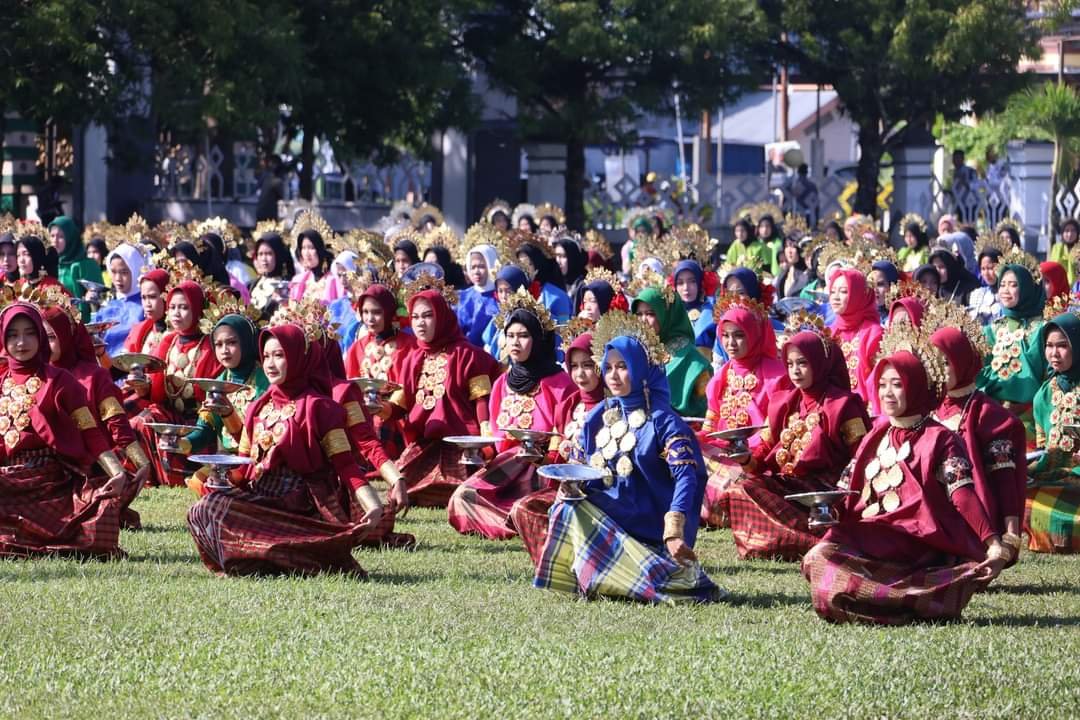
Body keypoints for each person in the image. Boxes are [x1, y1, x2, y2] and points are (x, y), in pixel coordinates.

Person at [802, 338, 1010, 624]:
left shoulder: (941, 439)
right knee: (819, 556)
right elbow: (846, 490)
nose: (887, 393)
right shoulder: (877, 434)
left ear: (916, 387)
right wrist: (827, 512)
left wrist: (993, 543)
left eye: (897, 384)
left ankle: (900, 598)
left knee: (832, 565)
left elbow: (962, 493)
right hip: (875, 536)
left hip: (921, 544)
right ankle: (897, 601)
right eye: (883, 384)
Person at [533, 314, 722, 604]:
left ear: (643, 369)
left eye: (623, 367)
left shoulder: (665, 422)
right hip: (611, 511)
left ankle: (618, 574)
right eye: (607, 368)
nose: (613, 375)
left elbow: (688, 477)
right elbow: (583, 467)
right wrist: (570, 487)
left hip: (648, 525)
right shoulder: (599, 416)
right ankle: (594, 578)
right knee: (564, 507)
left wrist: (674, 529)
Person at [186, 323, 384, 576]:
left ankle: (293, 555)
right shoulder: (258, 407)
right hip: (260, 498)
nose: (270, 363)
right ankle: (252, 562)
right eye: (266, 356)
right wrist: (220, 479)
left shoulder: (319, 409)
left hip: (298, 507)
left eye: (279, 355)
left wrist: (373, 505)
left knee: (215, 509)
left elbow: (346, 465)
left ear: (297, 358)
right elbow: (245, 463)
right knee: (202, 510)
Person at [0, 302, 130, 559]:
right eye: (13, 335)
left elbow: (90, 432)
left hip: (47, 481)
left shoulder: (60, 381)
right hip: (6, 476)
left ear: (40, 335)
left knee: (101, 520)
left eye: (30, 333)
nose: (21, 342)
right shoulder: (1, 380)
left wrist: (118, 472)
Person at [447, 290, 575, 539]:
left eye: (524, 336)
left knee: (526, 506)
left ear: (539, 339)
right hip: (506, 465)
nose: (515, 343)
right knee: (461, 498)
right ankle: (512, 521)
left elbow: (566, 435)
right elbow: (495, 438)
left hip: (544, 468)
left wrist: (545, 459)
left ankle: (522, 518)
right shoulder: (502, 383)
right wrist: (477, 452)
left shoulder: (560, 383)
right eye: (510, 336)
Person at [384, 287, 502, 506]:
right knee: (403, 483)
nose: (420, 323)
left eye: (428, 316)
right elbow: (400, 402)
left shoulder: (467, 355)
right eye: (415, 317)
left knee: (463, 486)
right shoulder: (412, 358)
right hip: (425, 445)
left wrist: (486, 441)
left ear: (442, 317)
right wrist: (379, 408)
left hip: (463, 446)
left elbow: (481, 400)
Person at [41, 300, 150, 531]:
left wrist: (141, 464)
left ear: (66, 336)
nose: (43, 344)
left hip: (88, 469)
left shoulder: (94, 376)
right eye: (39, 336)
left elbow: (116, 423)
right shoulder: (36, 376)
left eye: (50, 337)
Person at [508, 328, 606, 567]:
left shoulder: (614, 405)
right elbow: (555, 456)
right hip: (567, 490)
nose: (580, 374)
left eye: (588, 365)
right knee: (522, 509)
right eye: (574, 366)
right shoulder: (568, 406)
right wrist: (536, 457)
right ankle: (556, 566)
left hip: (603, 493)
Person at [929, 323, 1025, 554]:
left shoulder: (986, 413)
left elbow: (1005, 478)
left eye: (945, 362)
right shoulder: (927, 406)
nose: (938, 370)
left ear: (962, 361)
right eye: (933, 362)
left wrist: (1011, 535)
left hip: (975, 524)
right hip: (930, 512)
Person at [698, 296, 791, 528]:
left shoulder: (776, 374)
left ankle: (714, 504)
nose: (731, 343)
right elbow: (710, 427)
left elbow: (774, 430)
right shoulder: (723, 374)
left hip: (756, 459)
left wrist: (748, 456)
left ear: (755, 335)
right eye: (726, 336)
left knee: (741, 482)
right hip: (722, 455)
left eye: (739, 335)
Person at [126, 281, 223, 486]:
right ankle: (142, 476)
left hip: (198, 421)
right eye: (172, 307)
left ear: (198, 309)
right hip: (170, 414)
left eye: (184, 307)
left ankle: (172, 476)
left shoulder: (209, 346)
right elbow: (156, 393)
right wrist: (142, 386)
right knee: (137, 423)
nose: (176, 313)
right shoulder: (168, 342)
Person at [181, 307, 270, 493]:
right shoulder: (218, 382)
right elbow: (204, 430)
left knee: (226, 485)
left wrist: (229, 415)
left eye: (231, 343)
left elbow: (261, 438)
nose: (224, 351)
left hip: (258, 459)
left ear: (247, 342)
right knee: (199, 482)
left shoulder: (265, 381)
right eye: (219, 344)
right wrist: (182, 442)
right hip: (228, 459)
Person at [1026, 312, 1080, 553]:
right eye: (1049, 346)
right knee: (1024, 499)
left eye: (1062, 346)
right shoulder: (1044, 394)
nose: (1054, 354)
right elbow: (1043, 447)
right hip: (1056, 474)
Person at [976, 264, 1047, 442]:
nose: (1005, 290)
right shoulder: (993, 329)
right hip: (993, 414)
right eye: (1002, 284)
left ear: (1027, 288)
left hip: (1031, 417)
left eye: (1013, 285)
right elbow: (979, 370)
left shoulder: (1042, 328)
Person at [632, 281, 712, 416]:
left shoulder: (689, 357)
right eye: (639, 314)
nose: (643, 320)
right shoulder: (635, 352)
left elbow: (706, 406)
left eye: (650, 313)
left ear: (667, 315)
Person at [826, 268, 884, 405]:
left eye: (844, 291)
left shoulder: (873, 333)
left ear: (858, 295)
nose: (835, 297)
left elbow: (877, 384)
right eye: (833, 291)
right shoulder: (830, 332)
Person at [92, 243, 147, 357]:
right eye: (113, 272)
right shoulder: (109, 306)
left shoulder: (145, 305)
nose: (117, 279)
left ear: (136, 270)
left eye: (124, 272)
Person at [515, 238, 572, 324]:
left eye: (528, 264)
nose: (524, 269)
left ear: (537, 265)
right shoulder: (515, 293)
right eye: (520, 264)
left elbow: (564, 325)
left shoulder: (558, 297)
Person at [48, 216, 103, 301]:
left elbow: (99, 298)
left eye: (61, 236)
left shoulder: (87, 265)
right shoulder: (49, 264)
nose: (55, 240)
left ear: (71, 238)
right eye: (52, 236)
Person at [456, 244, 499, 346]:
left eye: (481, 266)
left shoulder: (500, 297)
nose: (476, 272)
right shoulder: (462, 296)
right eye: (473, 267)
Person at [671, 258, 718, 349]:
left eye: (692, 281)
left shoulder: (713, 310)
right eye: (680, 283)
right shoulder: (670, 313)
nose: (686, 288)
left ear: (700, 282)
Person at [248, 230, 295, 317]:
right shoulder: (252, 284)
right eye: (260, 254)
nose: (264, 259)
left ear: (278, 255)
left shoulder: (287, 284)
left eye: (269, 254)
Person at [122, 269, 169, 356]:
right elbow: (123, 365)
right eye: (143, 298)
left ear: (166, 296)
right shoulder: (140, 330)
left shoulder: (179, 335)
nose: (147, 304)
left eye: (152, 297)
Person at [969, 245, 1002, 325]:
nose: (986, 273)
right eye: (983, 269)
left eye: (990, 268)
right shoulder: (977, 294)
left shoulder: (1008, 294)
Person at [553, 239, 587, 303]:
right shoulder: (554, 281)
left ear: (573, 258)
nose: (558, 261)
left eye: (563, 256)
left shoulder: (583, 285)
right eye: (556, 256)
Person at [1050, 219, 1080, 286]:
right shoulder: (1057, 248)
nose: (1070, 234)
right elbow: (1051, 269)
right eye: (1066, 231)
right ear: (1062, 233)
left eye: (1073, 230)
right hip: (1059, 288)